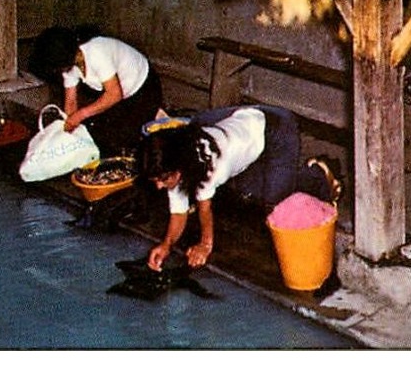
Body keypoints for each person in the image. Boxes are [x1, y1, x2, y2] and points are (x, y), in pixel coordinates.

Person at [138, 104, 340, 272]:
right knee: (246, 190)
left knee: (275, 204)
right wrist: (166, 245)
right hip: (242, 122)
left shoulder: (207, 163)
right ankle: (264, 167)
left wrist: (205, 246)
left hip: (276, 128)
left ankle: (317, 175)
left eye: (162, 179)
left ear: (178, 170)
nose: (158, 186)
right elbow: (179, 212)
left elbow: (204, 208)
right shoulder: (177, 160)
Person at [45, 26, 164, 156]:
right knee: (98, 133)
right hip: (119, 93)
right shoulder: (69, 66)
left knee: (126, 141)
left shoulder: (96, 52)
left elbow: (114, 94)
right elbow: (71, 101)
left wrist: (80, 115)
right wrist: (69, 128)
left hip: (144, 88)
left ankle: (157, 114)